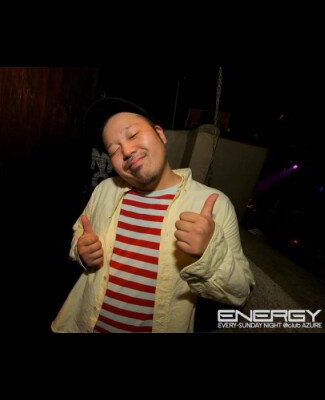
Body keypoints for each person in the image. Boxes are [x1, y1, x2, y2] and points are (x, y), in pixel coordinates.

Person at [51, 97, 255, 333]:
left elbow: (239, 294)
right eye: (114, 150)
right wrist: (82, 251)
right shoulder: (104, 190)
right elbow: (80, 232)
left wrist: (209, 252)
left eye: (133, 135)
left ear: (160, 134)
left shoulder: (213, 204)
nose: (127, 151)